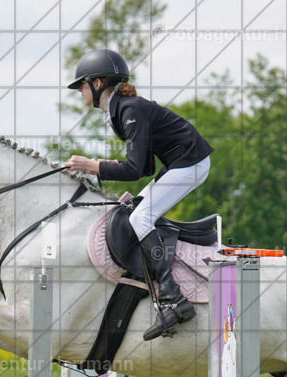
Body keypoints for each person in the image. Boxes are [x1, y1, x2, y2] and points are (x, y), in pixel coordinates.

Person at [65, 48, 214, 341]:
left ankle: (173, 297)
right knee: (135, 211)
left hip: (192, 163)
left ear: (97, 83)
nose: (79, 91)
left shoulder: (129, 110)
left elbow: (134, 168)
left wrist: (91, 165)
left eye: (81, 84)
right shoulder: (121, 110)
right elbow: (145, 166)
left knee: (141, 217)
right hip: (179, 163)